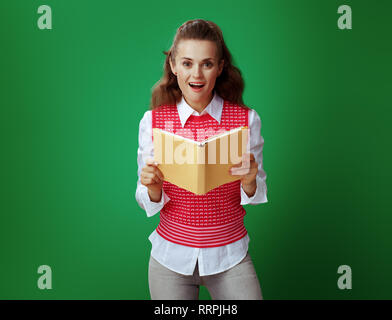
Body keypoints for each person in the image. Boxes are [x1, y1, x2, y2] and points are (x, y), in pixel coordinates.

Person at [135, 19, 268, 300]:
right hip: (170, 258)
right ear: (173, 65)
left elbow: (254, 195)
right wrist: (153, 188)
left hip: (230, 255)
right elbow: (146, 198)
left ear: (219, 68)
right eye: (187, 63)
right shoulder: (153, 122)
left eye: (207, 63)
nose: (197, 74)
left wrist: (250, 180)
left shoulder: (246, 120)